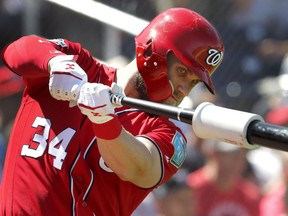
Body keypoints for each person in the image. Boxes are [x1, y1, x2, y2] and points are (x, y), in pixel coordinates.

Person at [0, 8, 224, 216]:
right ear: (151, 50)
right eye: (182, 72)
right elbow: (17, 50)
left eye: (194, 83)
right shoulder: (80, 67)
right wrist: (56, 63)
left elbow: (140, 168)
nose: (185, 89)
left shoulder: (169, 133)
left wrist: (104, 119)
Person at [186, 140, 262, 216]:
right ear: (214, 154)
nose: (240, 160)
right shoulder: (191, 189)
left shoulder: (250, 195)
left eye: (243, 153)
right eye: (234, 154)